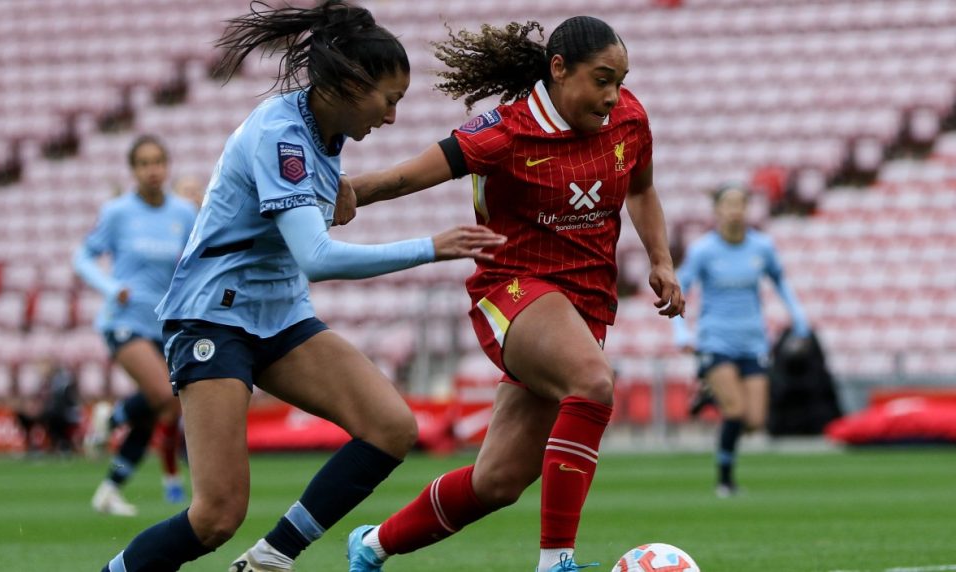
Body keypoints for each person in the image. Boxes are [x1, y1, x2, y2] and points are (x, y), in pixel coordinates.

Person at [99, 2, 505, 571]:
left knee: (390, 427)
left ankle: (270, 558)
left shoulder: (325, 131)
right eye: (389, 100)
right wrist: (431, 247)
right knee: (215, 517)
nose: (391, 118)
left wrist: (343, 195)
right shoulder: (282, 135)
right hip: (213, 317)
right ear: (349, 84)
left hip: (279, 314)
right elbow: (314, 257)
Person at [340, 17, 684, 572]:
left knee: (497, 481)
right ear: (558, 69)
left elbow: (642, 189)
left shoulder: (629, 119)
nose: (612, 95)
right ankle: (556, 563)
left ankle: (373, 544)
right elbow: (412, 175)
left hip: (586, 302)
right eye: (601, 80)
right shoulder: (506, 130)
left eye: (620, 81)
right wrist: (352, 191)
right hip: (516, 289)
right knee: (593, 384)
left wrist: (661, 261)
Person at [75, 134, 198, 516]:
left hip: (162, 325)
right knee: (165, 394)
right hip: (123, 321)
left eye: (158, 161)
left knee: (157, 409)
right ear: (133, 170)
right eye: (144, 163)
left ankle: (110, 489)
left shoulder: (183, 213)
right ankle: (109, 418)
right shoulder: (118, 212)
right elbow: (83, 256)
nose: (152, 170)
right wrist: (112, 287)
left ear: (167, 166)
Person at [670, 183, 810, 497]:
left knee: (755, 421)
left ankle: (710, 396)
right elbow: (678, 292)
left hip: (753, 341)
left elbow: (781, 283)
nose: (735, 210)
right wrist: (681, 331)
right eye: (729, 204)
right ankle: (725, 480)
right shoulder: (703, 250)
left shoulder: (762, 247)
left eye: (740, 204)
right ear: (717, 211)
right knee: (734, 412)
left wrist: (799, 318)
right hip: (715, 339)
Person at [13, 359, 81, 455]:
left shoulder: (62, 383)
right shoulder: (41, 383)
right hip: (46, 412)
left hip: (60, 413)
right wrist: (32, 408)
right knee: (23, 415)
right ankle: (31, 444)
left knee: (52, 416)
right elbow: (35, 399)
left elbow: (64, 402)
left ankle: (60, 443)